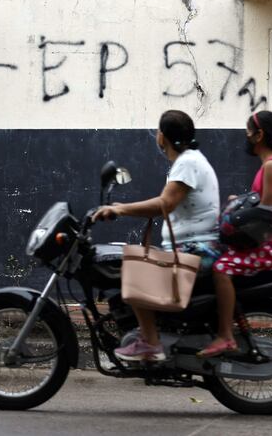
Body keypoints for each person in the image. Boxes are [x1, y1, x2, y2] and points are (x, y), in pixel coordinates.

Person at [93, 110, 221, 362]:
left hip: (197, 251)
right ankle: (149, 331)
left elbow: (165, 203)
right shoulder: (190, 160)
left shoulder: (187, 163)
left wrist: (119, 208)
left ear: (161, 137)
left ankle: (151, 343)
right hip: (196, 247)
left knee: (133, 270)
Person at [198, 110, 272, 358]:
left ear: (259, 135)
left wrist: (237, 215)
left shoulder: (271, 165)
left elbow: (266, 213)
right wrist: (242, 201)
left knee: (221, 268)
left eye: (249, 131)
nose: (246, 136)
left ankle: (225, 336)